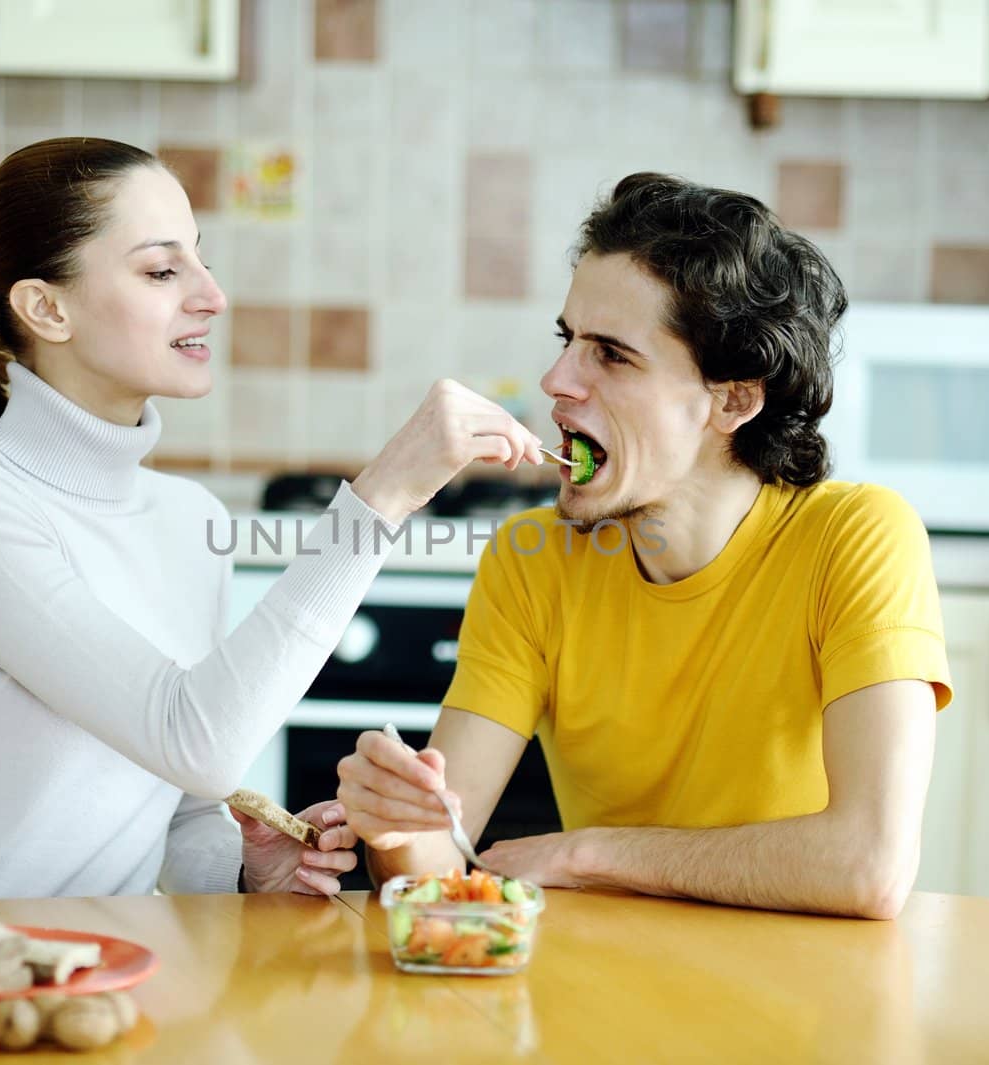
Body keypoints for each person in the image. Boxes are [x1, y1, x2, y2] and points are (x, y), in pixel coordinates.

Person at [0, 137, 546, 900]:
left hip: (117, 978)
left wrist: (244, 870)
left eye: (201, 261)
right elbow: (195, 741)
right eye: (163, 270)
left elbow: (183, 807)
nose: (211, 295)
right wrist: (383, 495)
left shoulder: (184, 517)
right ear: (46, 306)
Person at [337, 173, 954, 920]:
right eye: (568, 342)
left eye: (612, 355)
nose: (557, 380)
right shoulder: (532, 560)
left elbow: (869, 864)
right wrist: (397, 824)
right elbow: (436, 859)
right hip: (608, 1000)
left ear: (732, 399)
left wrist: (588, 853)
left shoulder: (856, 540)